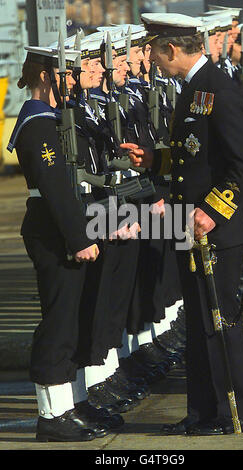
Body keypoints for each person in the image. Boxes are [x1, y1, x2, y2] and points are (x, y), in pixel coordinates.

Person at [129, 12, 243, 436]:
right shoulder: (193, 88)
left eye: (153, 52)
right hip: (192, 229)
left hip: (216, 231)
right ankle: (203, 413)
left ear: (171, 49)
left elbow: (242, 161)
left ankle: (230, 415)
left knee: (217, 325)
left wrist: (214, 210)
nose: (151, 61)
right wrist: (156, 160)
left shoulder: (217, 88)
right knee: (199, 324)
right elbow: (196, 157)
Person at [7, 45, 110, 442]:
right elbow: (55, 188)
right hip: (53, 232)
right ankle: (51, 414)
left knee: (72, 318)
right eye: (67, 74)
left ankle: (69, 405)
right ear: (48, 76)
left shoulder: (54, 119)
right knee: (59, 321)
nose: (73, 80)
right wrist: (78, 237)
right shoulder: (38, 123)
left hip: (63, 228)